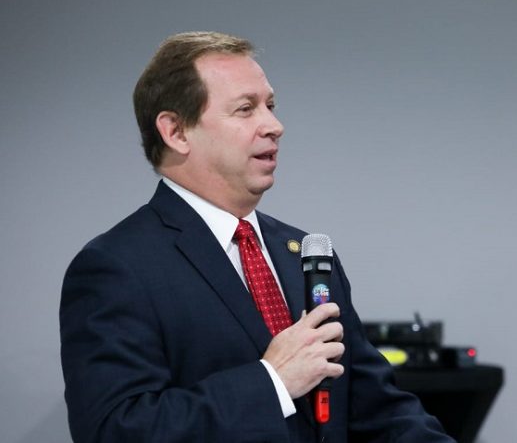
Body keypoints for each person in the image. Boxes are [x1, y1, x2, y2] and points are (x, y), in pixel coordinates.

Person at [60, 31, 455, 442]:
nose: (274, 126)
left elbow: (377, 411)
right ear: (176, 132)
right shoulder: (117, 267)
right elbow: (115, 430)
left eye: (270, 106)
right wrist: (272, 382)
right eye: (245, 109)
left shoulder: (306, 255)